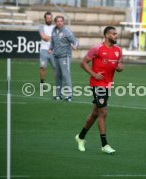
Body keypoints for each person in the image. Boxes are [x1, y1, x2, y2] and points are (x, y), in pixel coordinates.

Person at [75, 26, 123, 154]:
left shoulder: (118, 50)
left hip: (108, 85)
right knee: (103, 112)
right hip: (97, 84)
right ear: (107, 35)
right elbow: (83, 63)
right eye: (113, 34)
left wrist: (119, 67)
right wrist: (94, 74)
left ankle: (80, 137)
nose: (116, 36)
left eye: (116, 34)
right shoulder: (97, 49)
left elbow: (118, 65)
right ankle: (104, 144)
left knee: (95, 113)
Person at [48, 15, 78, 101]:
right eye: (57, 21)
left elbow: (75, 40)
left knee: (65, 75)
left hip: (65, 56)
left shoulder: (67, 31)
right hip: (56, 56)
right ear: (55, 22)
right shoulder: (54, 30)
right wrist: (50, 48)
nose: (59, 22)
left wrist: (75, 46)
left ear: (63, 22)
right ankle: (58, 95)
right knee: (57, 75)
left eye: (61, 21)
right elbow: (52, 42)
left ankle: (69, 95)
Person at [39, 12, 55, 86]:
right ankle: (42, 83)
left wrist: (48, 37)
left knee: (56, 68)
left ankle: (58, 84)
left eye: (50, 18)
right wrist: (53, 37)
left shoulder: (55, 27)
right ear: (45, 19)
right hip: (44, 50)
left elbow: (47, 37)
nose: (49, 19)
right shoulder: (41, 27)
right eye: (47, 18)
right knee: (43, 67)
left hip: (53, 50)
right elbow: (43, 37)